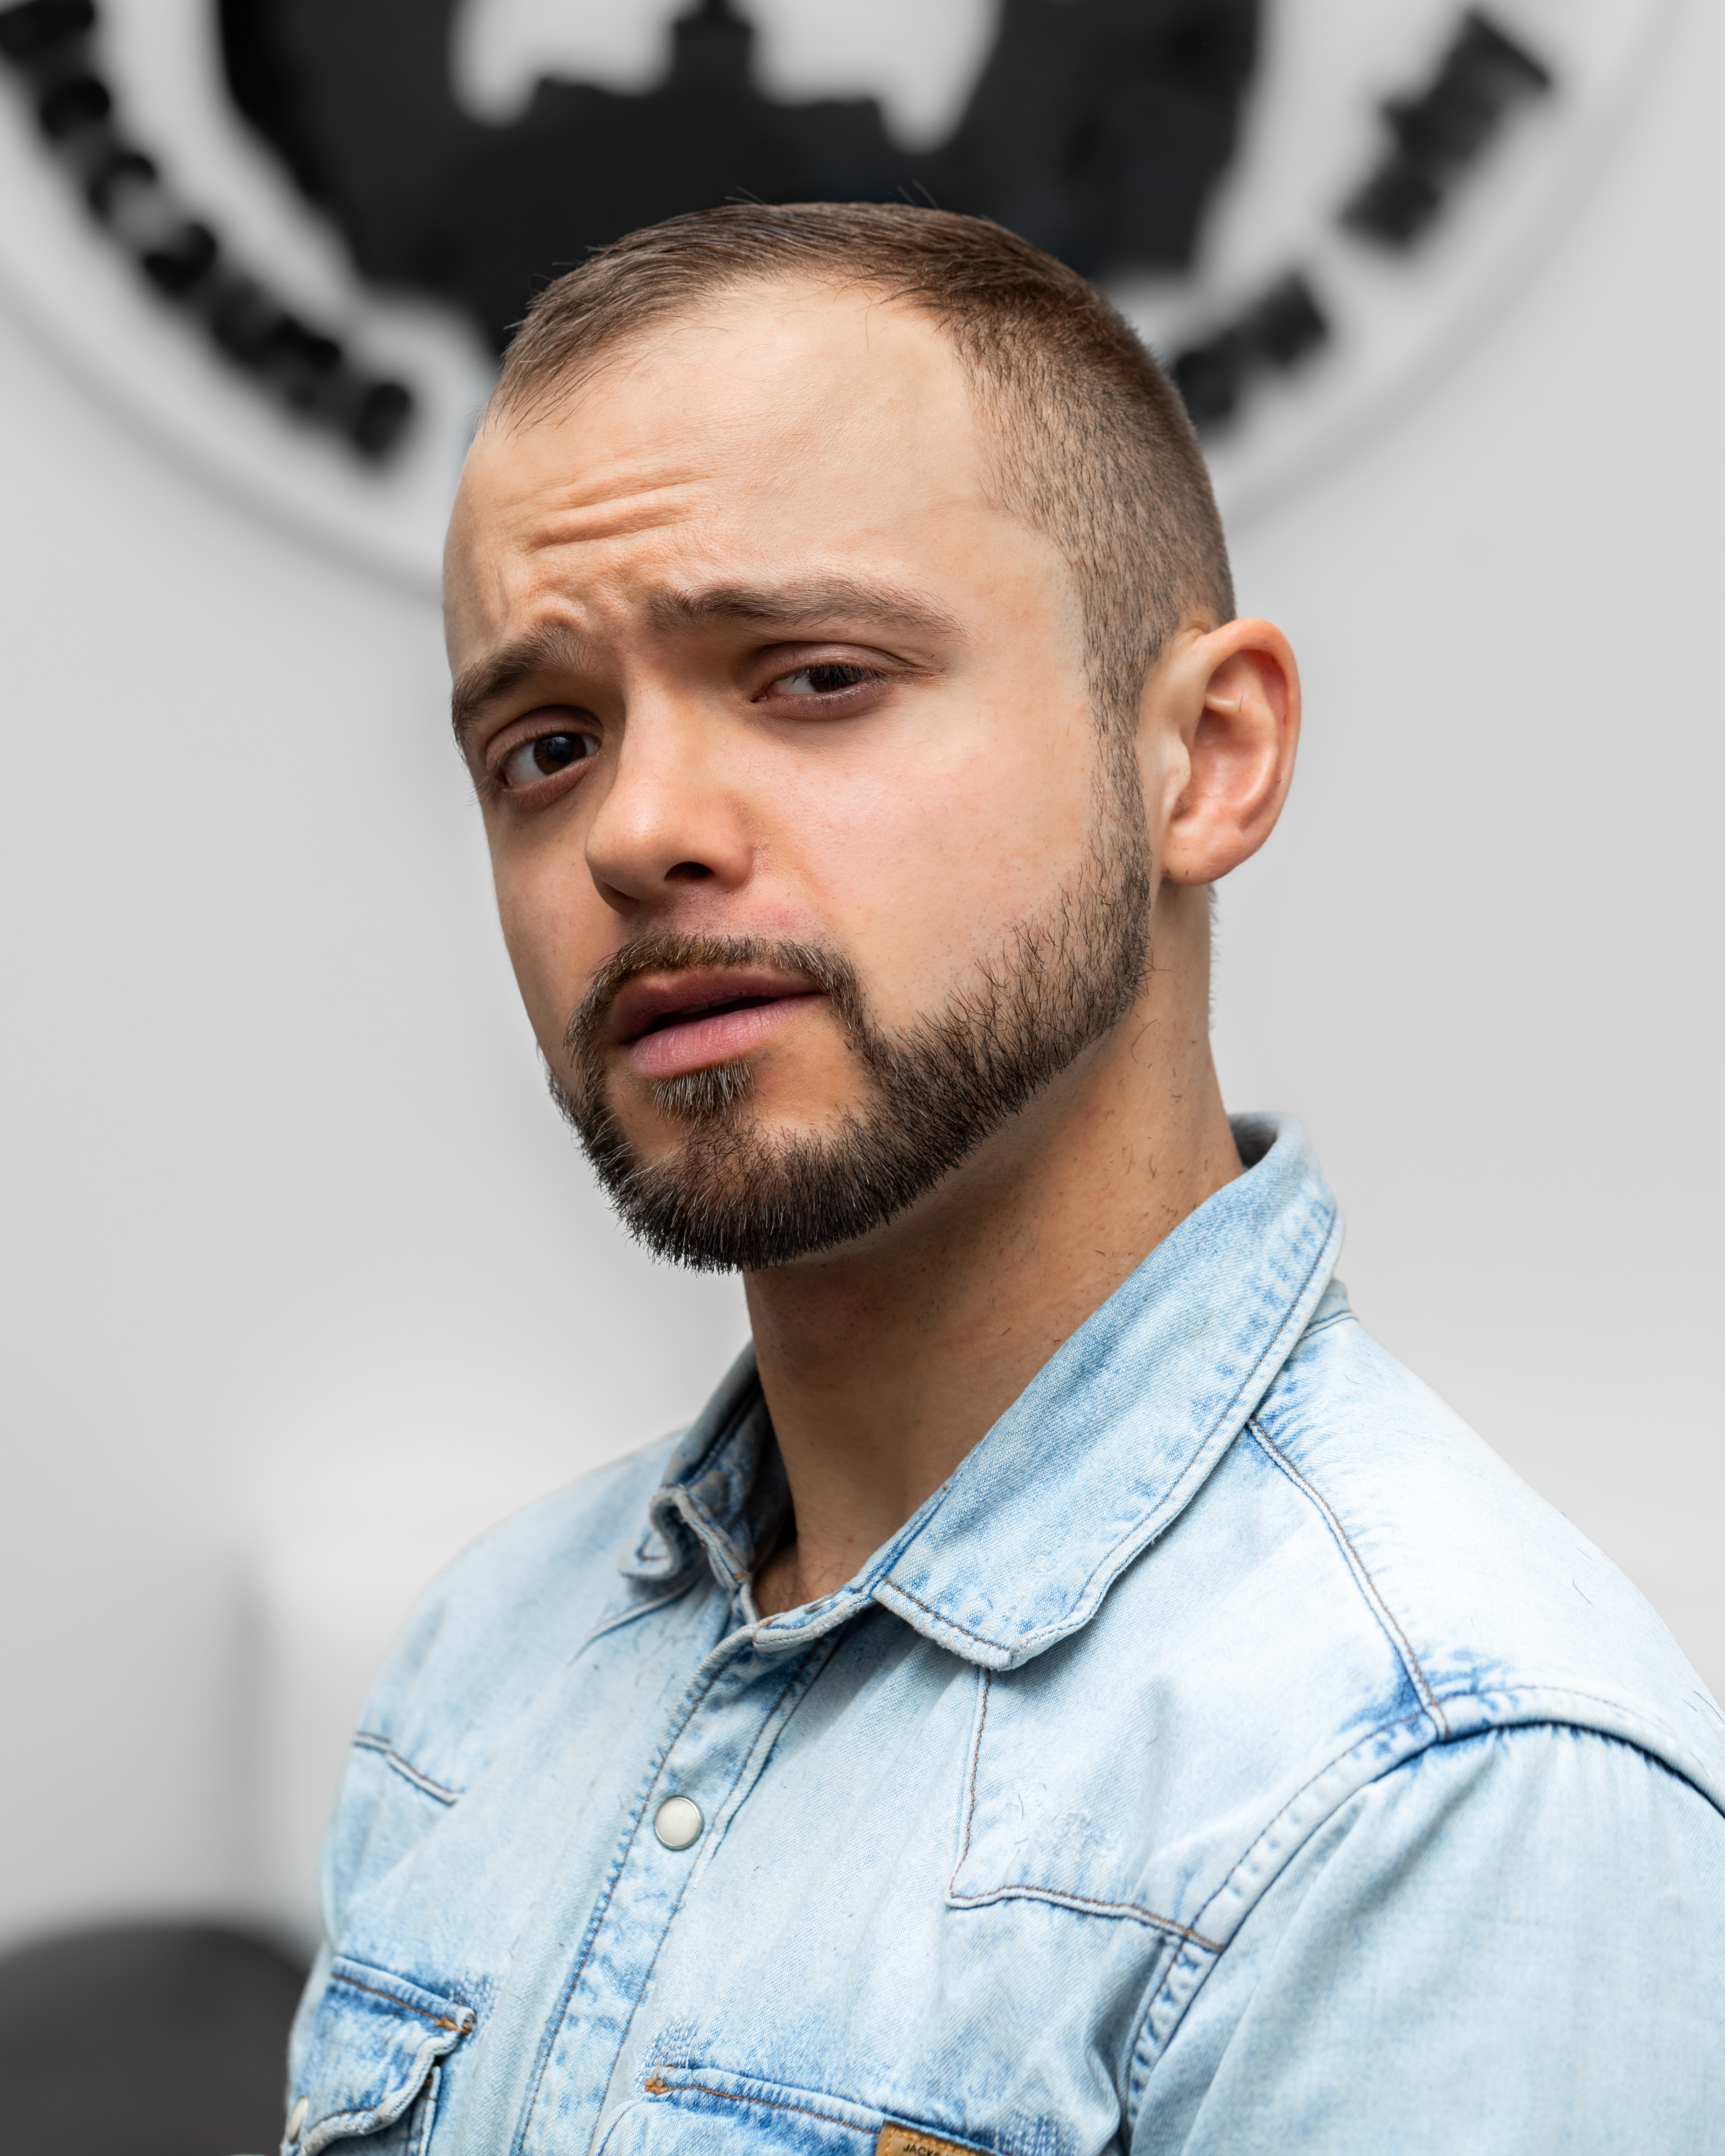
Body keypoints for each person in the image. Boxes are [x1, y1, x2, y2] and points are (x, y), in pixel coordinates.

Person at [282, 204, 1725, 2154]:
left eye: (814, 677)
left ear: (1204, 756)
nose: (635, 830)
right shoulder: (489, 1669)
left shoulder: (1440, 1792)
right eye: (545, 746)